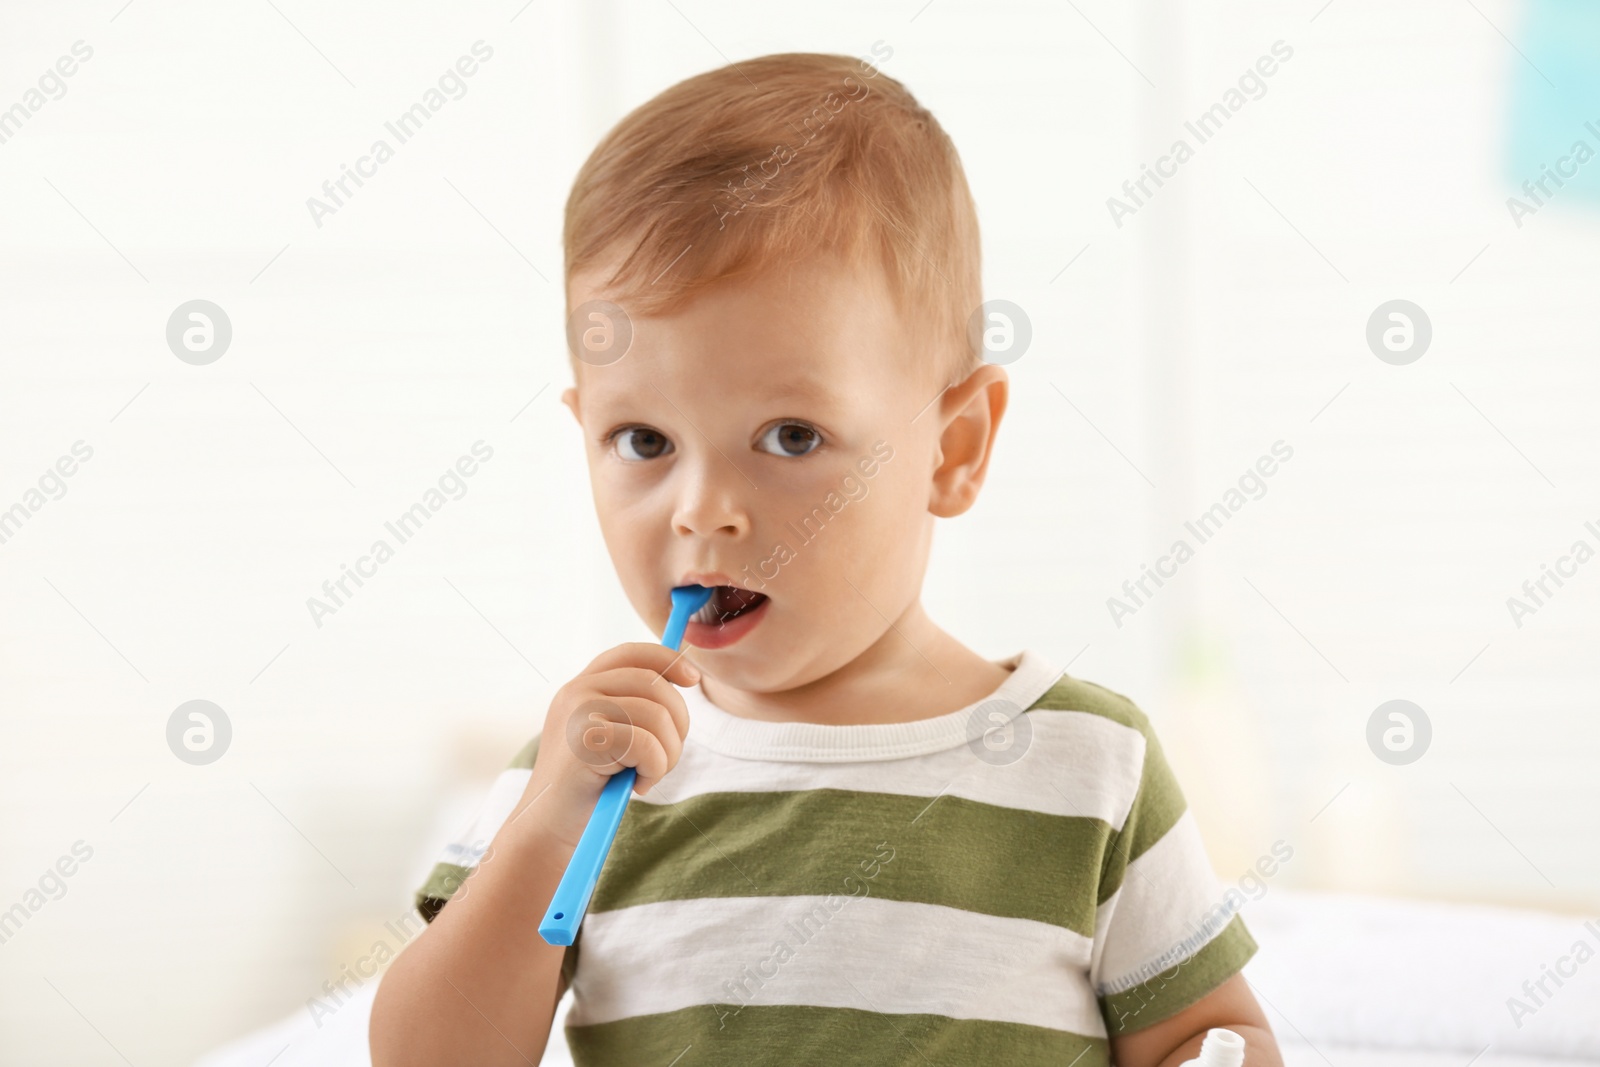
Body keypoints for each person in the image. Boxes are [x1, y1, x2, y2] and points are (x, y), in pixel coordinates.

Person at [370, 50, 1282, 1067]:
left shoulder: (1087, 766)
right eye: (643, 442)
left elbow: (1208, 1032)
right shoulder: (583, 773)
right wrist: (545, 825)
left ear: (954, 447)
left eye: (791, 437)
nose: (703, 510)